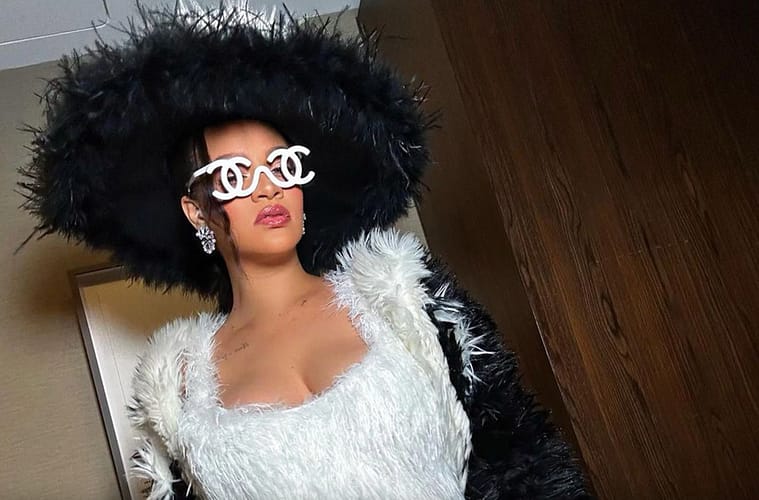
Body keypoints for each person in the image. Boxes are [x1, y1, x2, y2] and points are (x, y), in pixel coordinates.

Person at [19, 4, 593, 499]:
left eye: (281, 165)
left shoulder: (404, 299)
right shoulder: (180, 390)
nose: (268, 188)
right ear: (197, 211)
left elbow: (522, 454)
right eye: (235, 175)